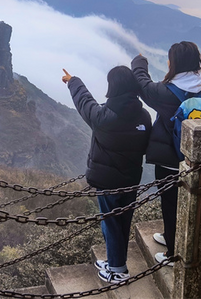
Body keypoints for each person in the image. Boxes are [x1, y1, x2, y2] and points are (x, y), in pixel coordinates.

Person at [130, 41, 201, 265]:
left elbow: (143, 84)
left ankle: (172, 252)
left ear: (175, 63)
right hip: (198, 160)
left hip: (170, 159)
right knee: (188, 202)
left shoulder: (165, 92)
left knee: (170, 203)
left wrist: (139, 62)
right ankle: (172, 236)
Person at [62, 66, 152, 283]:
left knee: (110, 222)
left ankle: (118, 270)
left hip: (108, 182)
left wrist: (73, 81)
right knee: (123, 221)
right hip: (131, 180)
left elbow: (85, 103)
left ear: (112, 86)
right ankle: (115, 260)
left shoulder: (103, 117)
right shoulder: (144, 116)